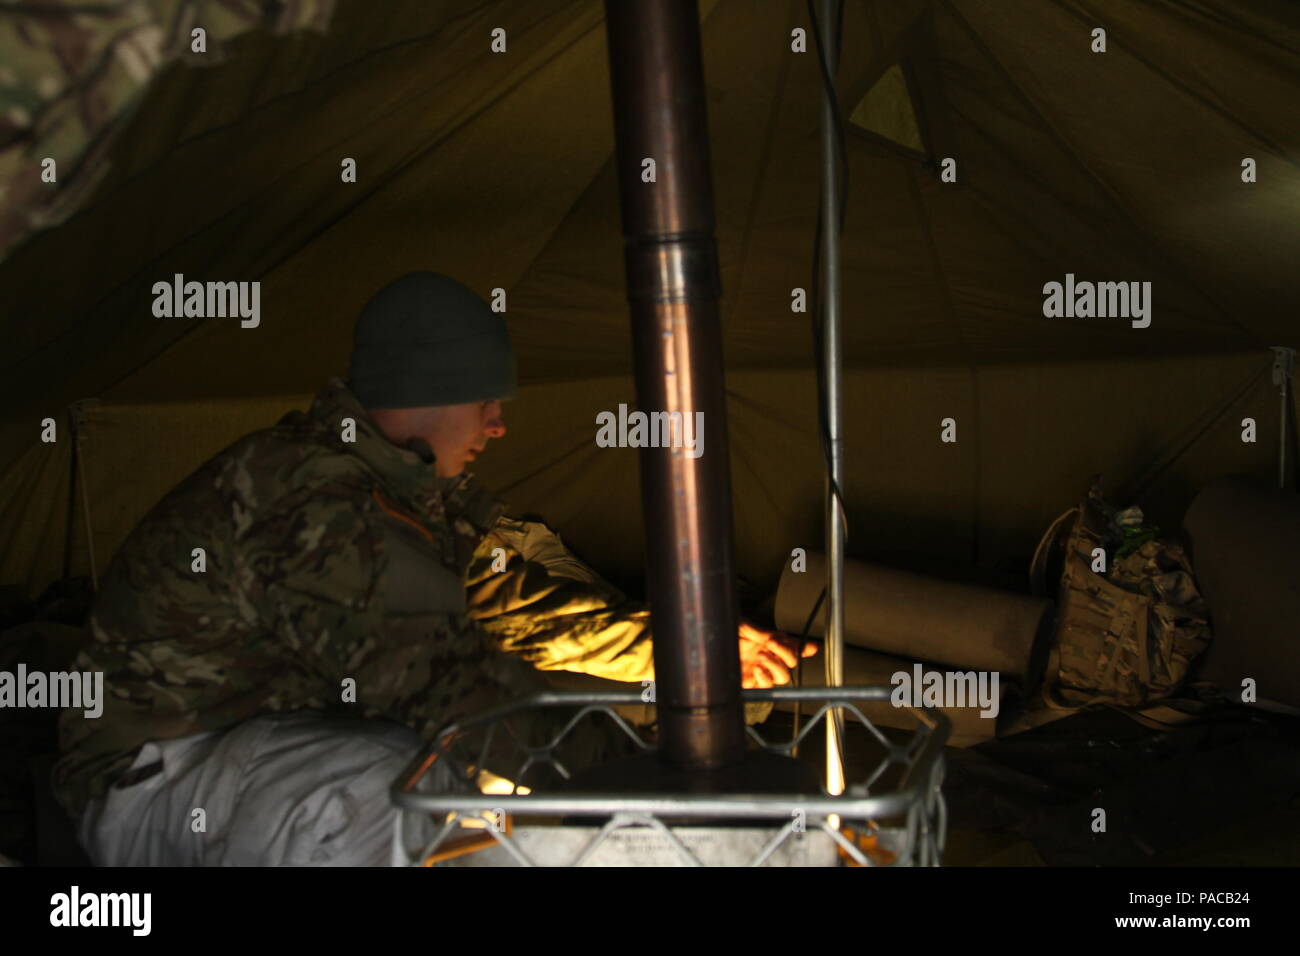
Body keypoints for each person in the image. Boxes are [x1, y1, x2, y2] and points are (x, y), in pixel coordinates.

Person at [51, 272, 814, 866]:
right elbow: (445, 683)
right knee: (396, 788)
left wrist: (691, 647)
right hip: (157, 779)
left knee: (453, 772)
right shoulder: (306, 497)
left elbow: (519, 610)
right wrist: (661, 785)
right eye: (486, 398)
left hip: (260, 746)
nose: (498, 423)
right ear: (427, 392)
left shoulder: (402, 497)